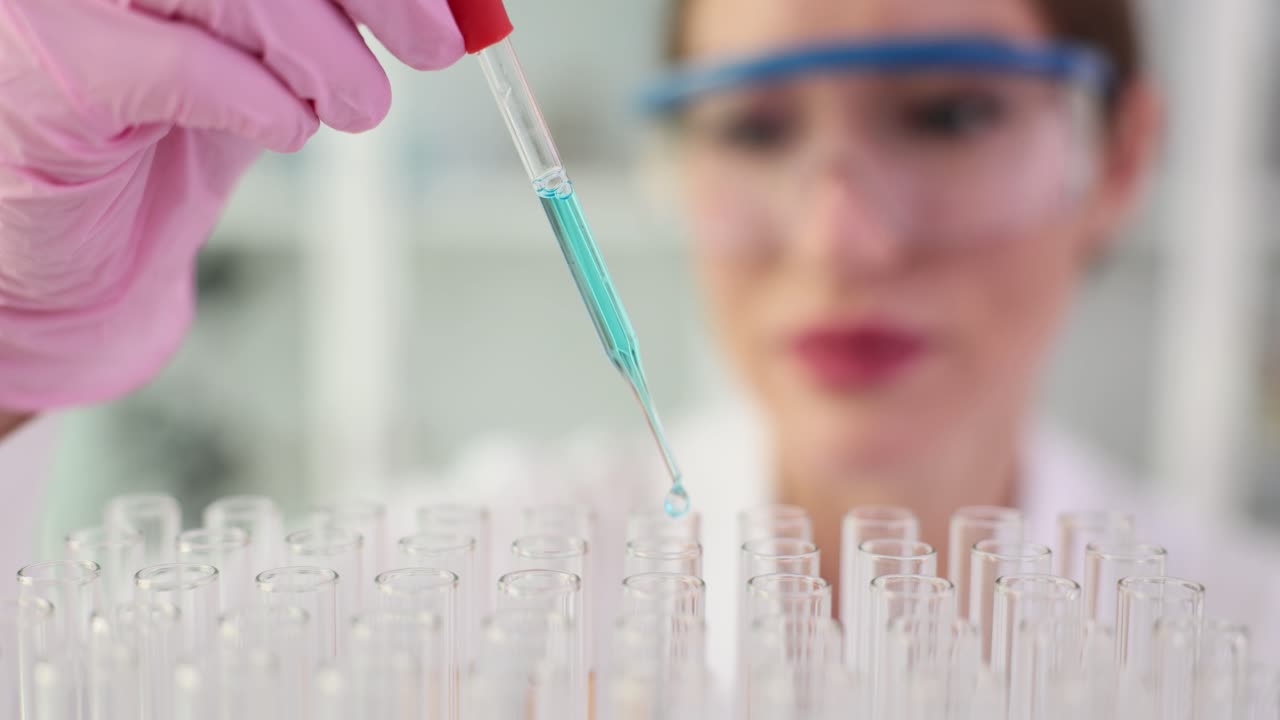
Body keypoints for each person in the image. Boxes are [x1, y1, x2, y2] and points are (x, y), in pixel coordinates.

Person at [0, 0, 1275, 696]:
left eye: (946, 115)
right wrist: (12, 349)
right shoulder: (464, 595)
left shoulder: (1243, 645)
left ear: (1116, 157)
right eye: (755, 130)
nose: (841, 238)